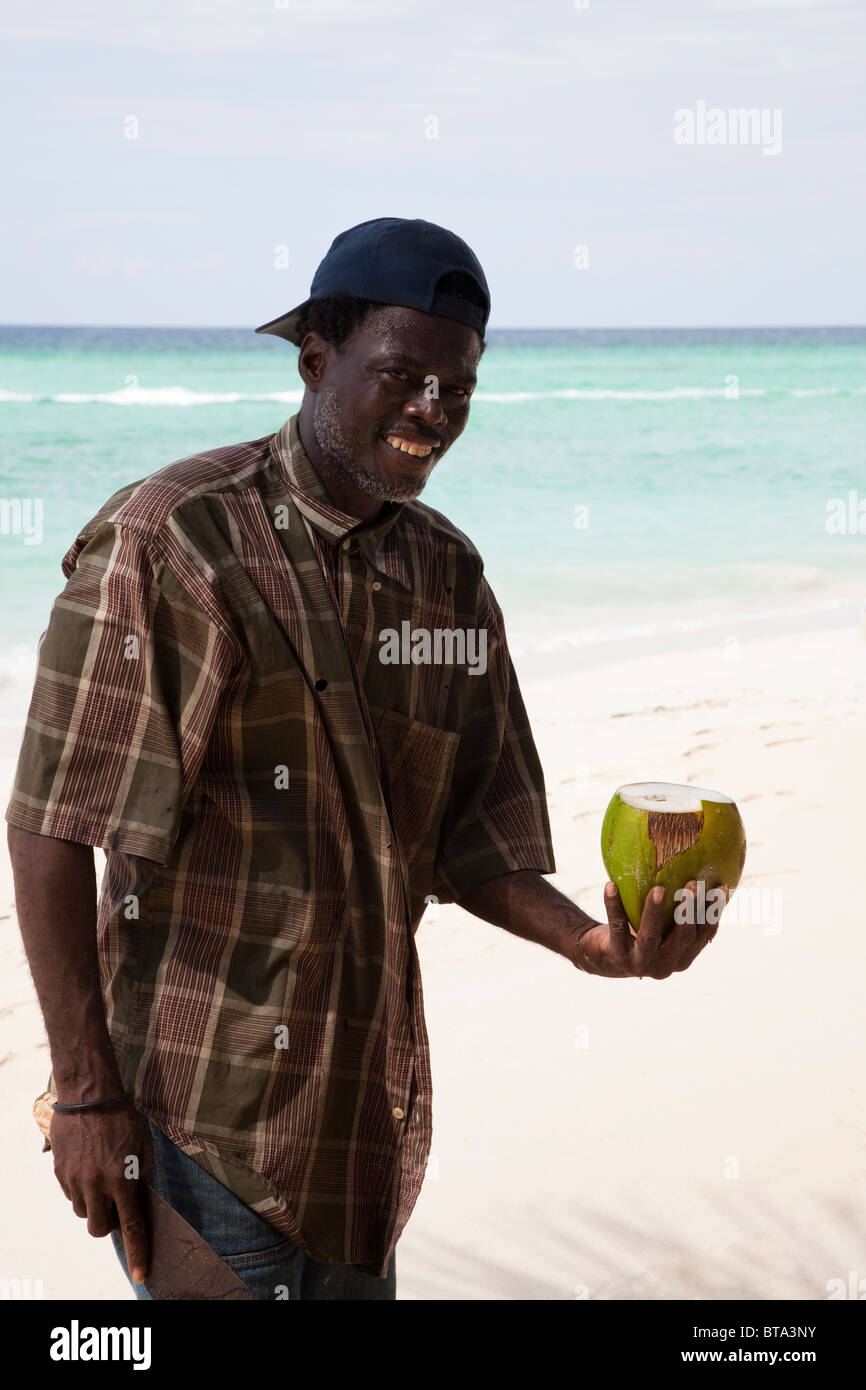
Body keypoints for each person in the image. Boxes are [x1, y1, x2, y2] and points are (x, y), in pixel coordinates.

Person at [6, 217, 721, 1302]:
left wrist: (589, 944)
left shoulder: (444, 576)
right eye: (402, 376)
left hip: (364, 1139)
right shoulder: (177, 539)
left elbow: (471, 842)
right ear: (313, 360)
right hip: (202, 1120)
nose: (432, 410)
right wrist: (87, 1095)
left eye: (457, 388)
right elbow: (56, 818)